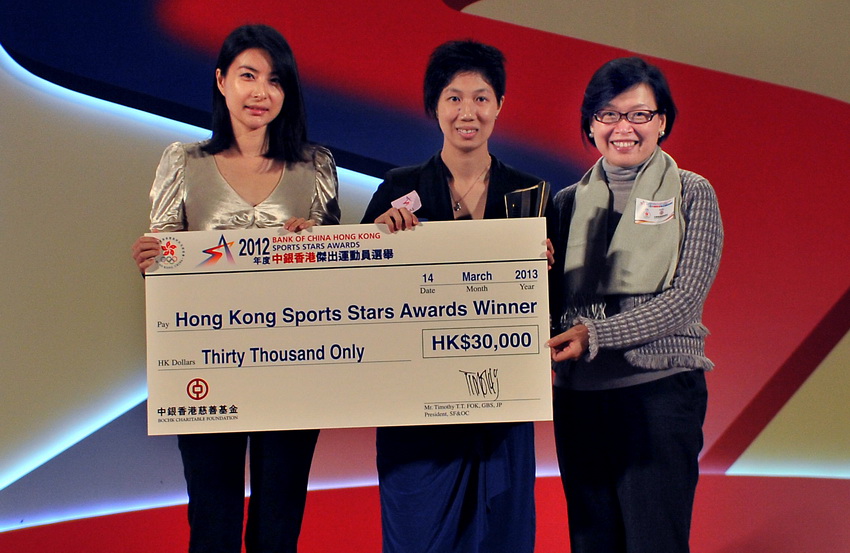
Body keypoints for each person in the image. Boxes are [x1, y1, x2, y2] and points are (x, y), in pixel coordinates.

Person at [131, 24, 340, 553]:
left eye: (274, 80)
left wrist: (320, 245)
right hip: (207, 369)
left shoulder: (315, 165)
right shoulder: (183, 161)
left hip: (292, 367)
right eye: (247, 75)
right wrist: (152, 258)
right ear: (222, 81)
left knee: (278, 524)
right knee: (213, 521)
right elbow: (166, 264)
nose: (260, 92)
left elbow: (338, 277)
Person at [361, 40, 548, 553]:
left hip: (501, 408)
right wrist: (376, 240)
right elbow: (359, 302)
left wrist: (547, 269)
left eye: (481, 98)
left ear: (500, 106)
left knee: (502, 537)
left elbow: (551, 307)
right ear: (435, 107)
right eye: (454, 98)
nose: (468, 112)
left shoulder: (531, 193)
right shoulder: (397, 189)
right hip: (417, 420)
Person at [547, 56, 723, 553]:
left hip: (659, 400)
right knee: (591, 542)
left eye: (639, 115)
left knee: (654, 543)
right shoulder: (562, 203)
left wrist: (596, 335)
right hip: (581, 401)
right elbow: (546, 302)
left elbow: (685, 300)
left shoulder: (693, 193)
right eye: (608, 114)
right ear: (590, 124)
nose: (623, 128)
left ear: (662, 121)